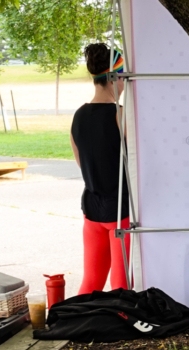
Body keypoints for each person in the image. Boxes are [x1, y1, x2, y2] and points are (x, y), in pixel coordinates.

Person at [70, 43, 130, 295]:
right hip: (120, 211)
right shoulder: (121, 115)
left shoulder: (78, 116)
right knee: (121, 286)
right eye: (124, 77)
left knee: (91, 282)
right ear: (115, 77)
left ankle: (74, 329)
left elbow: (81, 163)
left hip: (92, 209)